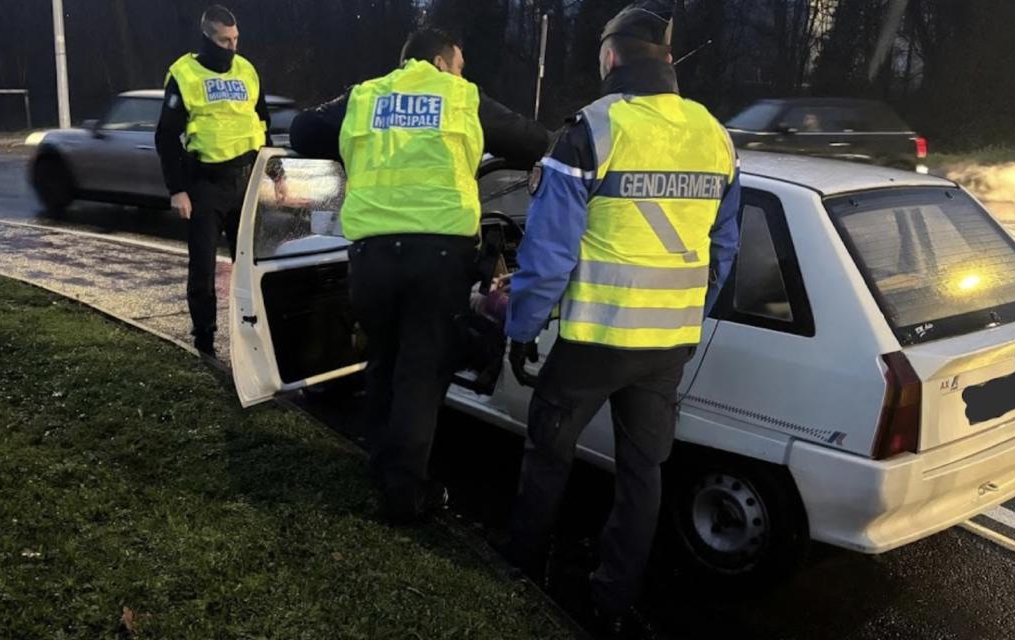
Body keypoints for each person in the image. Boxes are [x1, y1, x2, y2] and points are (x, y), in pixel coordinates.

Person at [502, 2, 740, 633]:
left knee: (548, 452)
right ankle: (612, 598)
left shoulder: (590, 130)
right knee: (642, 472)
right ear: (666, 60)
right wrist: (689, 312)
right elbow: (725, 246)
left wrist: (521, 327)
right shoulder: (714, 134)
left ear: (610, 56)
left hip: (595, 340)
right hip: (667, 346)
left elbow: (549, 253)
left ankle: (520, 568)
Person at [290, 29, 550, 524]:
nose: (462, 73)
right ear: (439, 61)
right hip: (438, 256)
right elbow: (534, 140)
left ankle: (382, 466)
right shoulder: (461, 96)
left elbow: (303, 131)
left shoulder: (364, 96)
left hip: (371, 257)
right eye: (460, 64)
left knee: (384, 359)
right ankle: (406, 494)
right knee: (422, 372)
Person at [155, 4, 272, 357]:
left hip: (247, 181)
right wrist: (177, 190)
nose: (232, 47)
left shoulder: (246, 71)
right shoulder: (185, 74)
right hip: (206, 184)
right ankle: (204, 338)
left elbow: (263, 126)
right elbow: (166, 137)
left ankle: (252, 332)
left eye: (235, 39)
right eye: (224, 40)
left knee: (251, 264)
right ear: (207, 38)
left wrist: (275, 175)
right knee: (203, 266)